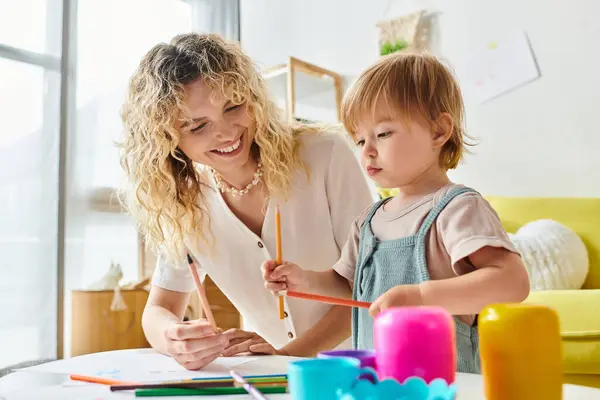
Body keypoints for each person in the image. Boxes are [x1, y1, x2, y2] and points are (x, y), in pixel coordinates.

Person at [118, 32, 376, 371]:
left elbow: (369, 285)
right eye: (198, 127)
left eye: (233, 107)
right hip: (268, 378)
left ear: (252, 98)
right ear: (167, 139)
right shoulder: (186, 200)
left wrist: (290, 356)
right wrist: (174, 338)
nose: (226, 133)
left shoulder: (326, 154)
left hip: (361, 369)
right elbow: (159, 308)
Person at [262, 52, 530, 373]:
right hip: (377, 383)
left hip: (444, 387)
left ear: (438, 131)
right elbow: (350, 286)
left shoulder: (458, 208)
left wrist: (421, 296)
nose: (367, 150)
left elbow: (513, 283)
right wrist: (303, 280)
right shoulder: (368, 221)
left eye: (383, 134)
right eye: (359, 140)